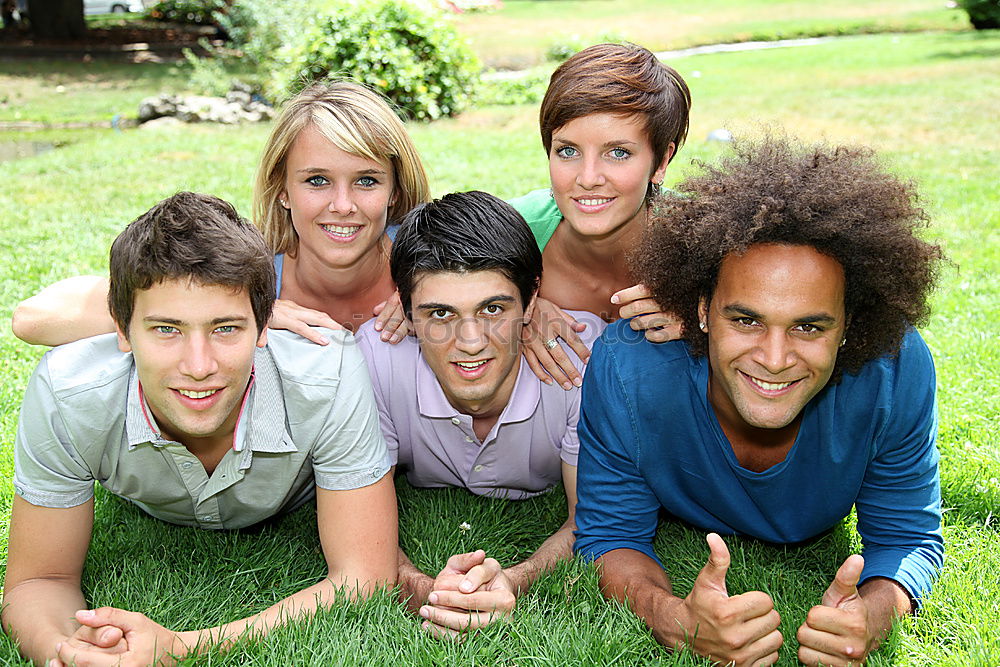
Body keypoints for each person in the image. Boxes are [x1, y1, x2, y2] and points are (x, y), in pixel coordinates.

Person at [573, 135, 944, 667]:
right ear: (701, 310)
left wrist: (873, 614)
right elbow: (610, 533)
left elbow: (908, 535)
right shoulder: (628, 367)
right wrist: (671, 616)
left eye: (809, 326)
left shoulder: (894, 368)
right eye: (745, 320)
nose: (774, 358)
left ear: (849, 328)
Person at [2, 192, 397, 666]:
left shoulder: (328, 373)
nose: (198, 366)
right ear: (122, 331)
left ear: (264, 324)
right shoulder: (69, 394)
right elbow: (38, 580)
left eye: (226, 328)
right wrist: (65, 653)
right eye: (166, 329)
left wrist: (183, 646)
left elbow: (365, 576)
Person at [353, 191, 606, 638]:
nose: (470, 341)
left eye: (493, 309)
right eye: (440, 313)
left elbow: (590, 520)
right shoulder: (374, 359)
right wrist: (427, 589)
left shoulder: (582, 360)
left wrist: (516, 578)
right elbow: (353, 523)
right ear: (406, 313)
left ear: (531, 302)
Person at [10, 80, 431, 346]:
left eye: (367, 180)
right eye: (317, 180)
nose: (343, 205)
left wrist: (434, 303)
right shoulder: (247, 272)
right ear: (281, 190)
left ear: (395, 191)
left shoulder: (437, 268)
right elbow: (35, 318)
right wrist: (252, 311)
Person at [508, 42, 693, 389]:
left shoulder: (707, 238)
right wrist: (515, 310)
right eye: (567, 151)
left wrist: (708, 318)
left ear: (661, 162)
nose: (588, 178)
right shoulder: (512, 230)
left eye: (618, 152)